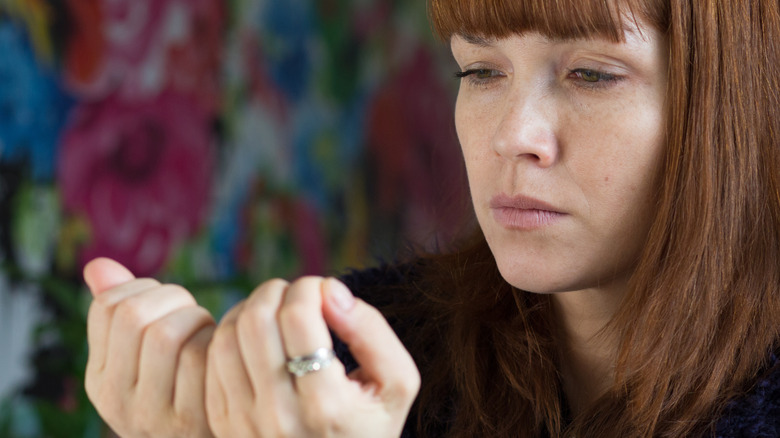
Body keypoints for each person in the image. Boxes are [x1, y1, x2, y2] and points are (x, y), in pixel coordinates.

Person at [83, 0, 780, 436]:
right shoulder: (352, 358)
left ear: (739, 102)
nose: (513, 136)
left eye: (592, 75)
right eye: (480, 72)